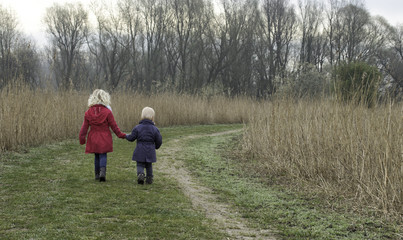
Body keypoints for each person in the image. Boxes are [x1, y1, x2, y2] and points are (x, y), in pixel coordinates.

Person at [79, 89, 126, 182]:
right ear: (105, 98)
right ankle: (102, 172)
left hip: (93, 137)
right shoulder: (107, 112)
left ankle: (97, 174)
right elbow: (114, 126)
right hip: (104, 137)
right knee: (103, 155)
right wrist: (121, 135)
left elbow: (84, 127)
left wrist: (82, 138)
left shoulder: (88, 112)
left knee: (96, 155)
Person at [126, 107, 162, 184]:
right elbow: (159, 140)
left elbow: (131, 138)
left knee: (140, 164)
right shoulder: (155, 129)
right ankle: (149, 178)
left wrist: (125, 136)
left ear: (142, 116)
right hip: (150, 150)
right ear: (152, 117)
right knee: (149, 165)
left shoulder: (137, 128)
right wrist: (156, 146)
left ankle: (140, 174)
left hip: (140, 149)